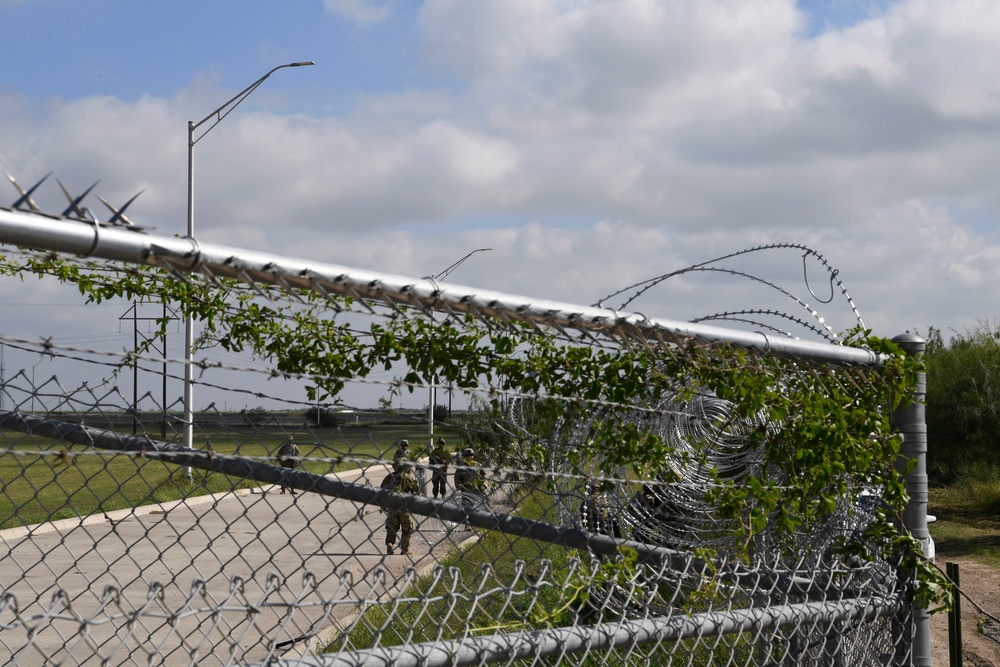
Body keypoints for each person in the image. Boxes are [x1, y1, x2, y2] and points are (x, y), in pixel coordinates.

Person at [381, 460, 420, 555]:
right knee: (407, 528)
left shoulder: (389, 478)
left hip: (392, 506)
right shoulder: (408, 478)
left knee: (392, 527)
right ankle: (404, 548)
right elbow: (417, 492)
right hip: (404, 507)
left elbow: (381, 490)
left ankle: (390, 543)